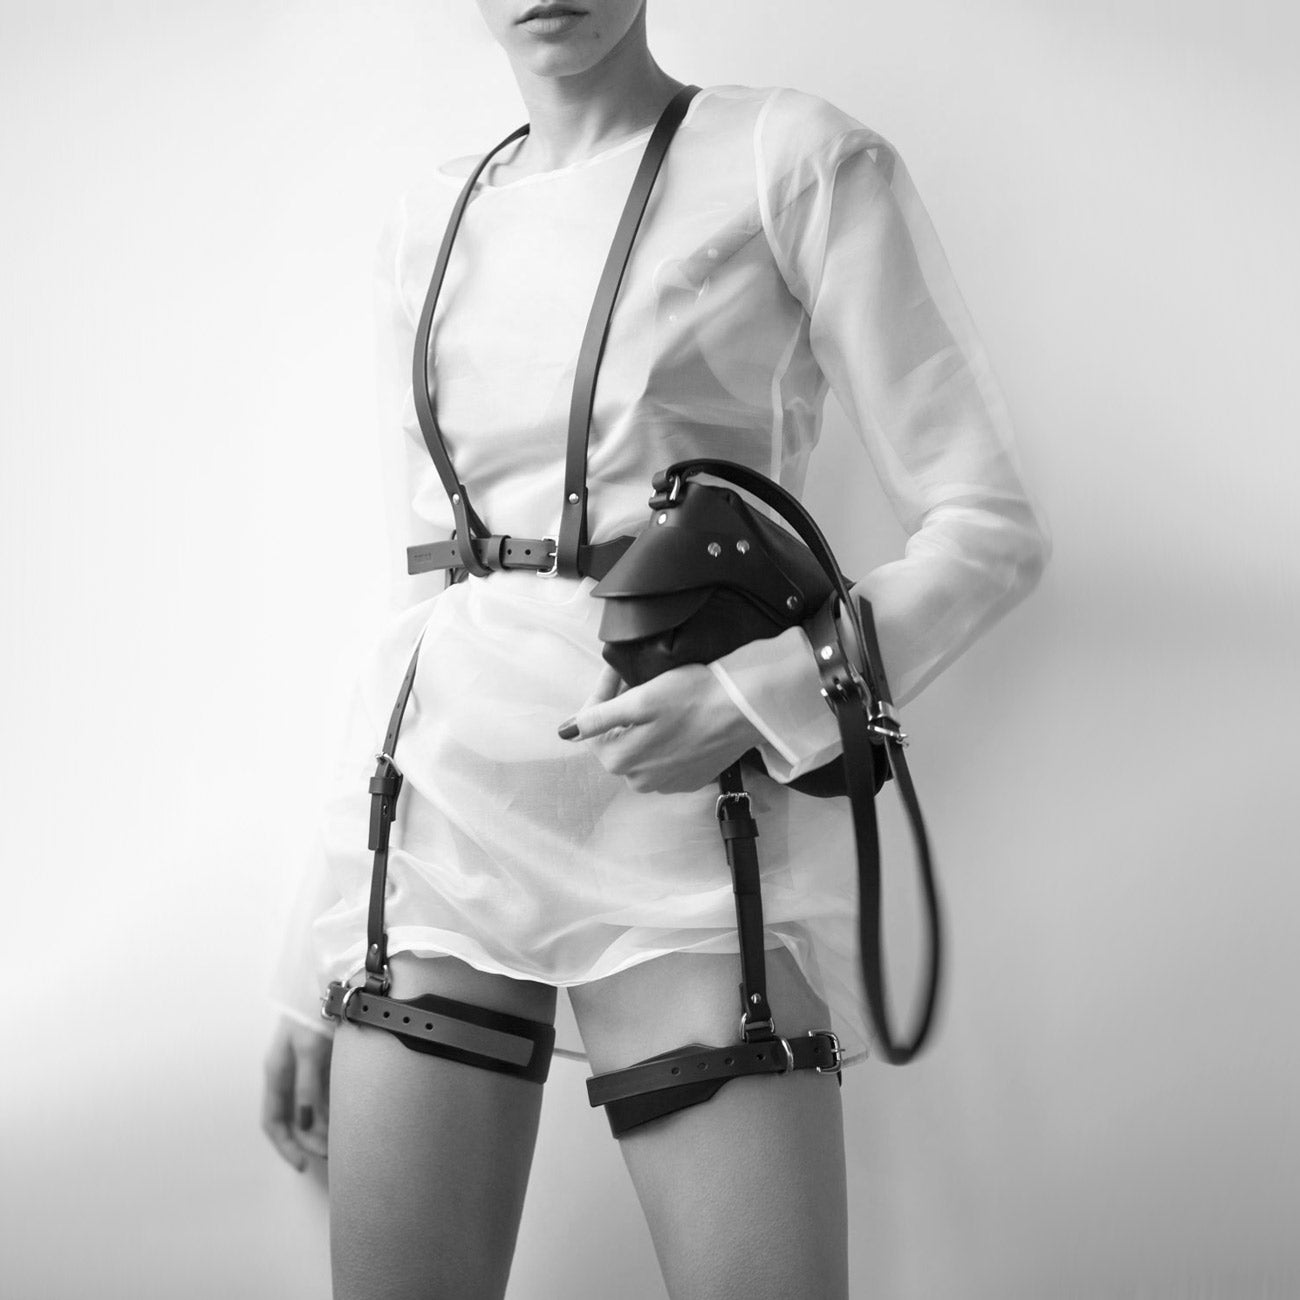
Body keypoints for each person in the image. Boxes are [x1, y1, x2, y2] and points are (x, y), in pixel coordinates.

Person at [260, 2, 1051, 1296]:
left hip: (692, 826)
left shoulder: (793, 158)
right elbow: (421, 605)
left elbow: (989, 530)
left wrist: (758, 695)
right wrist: (314, 959)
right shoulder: (429, 221)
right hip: (439, 826)